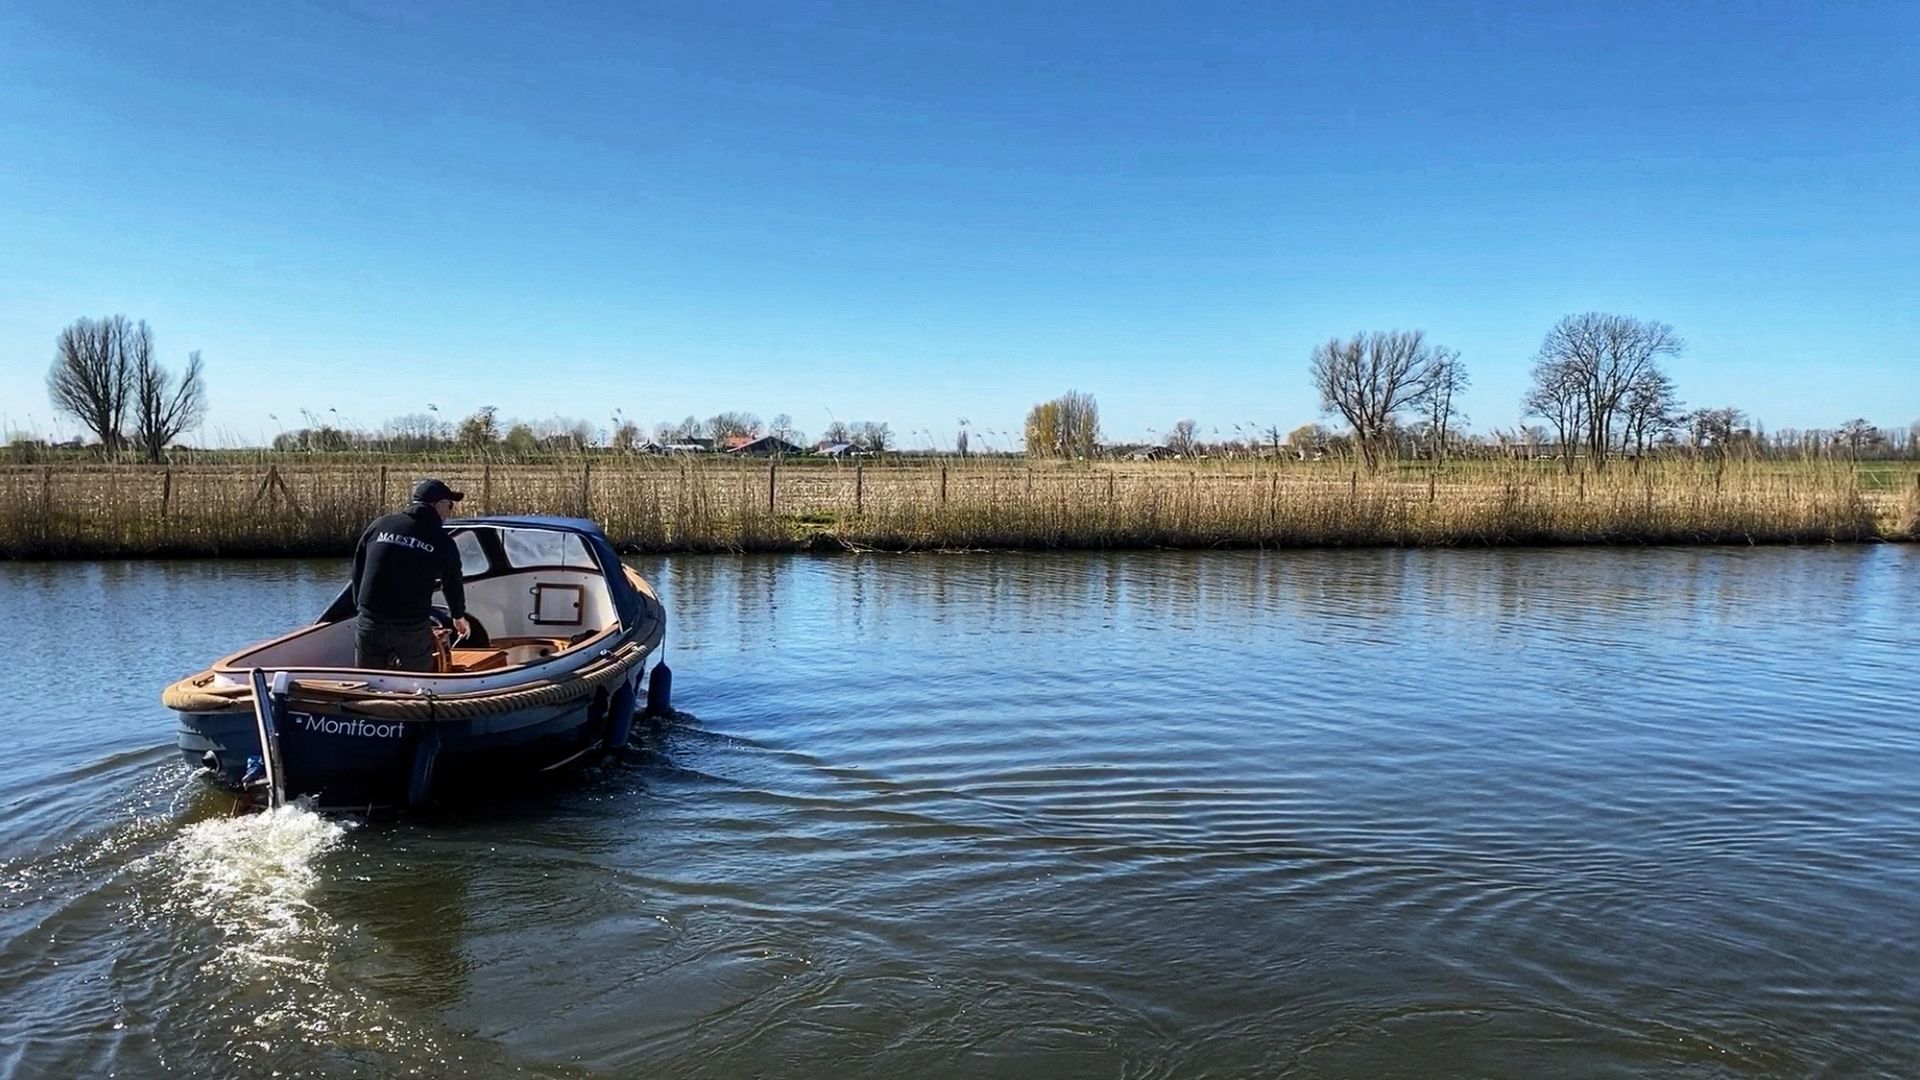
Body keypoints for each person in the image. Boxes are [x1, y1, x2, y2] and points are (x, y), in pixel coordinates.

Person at [349, 478, 471, 671]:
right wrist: (457, 616)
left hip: (370, 620)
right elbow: (452, 582)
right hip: (410, 625)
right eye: (450, 506)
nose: (449, 512)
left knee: (368, 679)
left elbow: (358, 568)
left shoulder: (380, 525)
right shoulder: (441, 541)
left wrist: (360, 606)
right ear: (437, 505)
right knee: (418, 682)